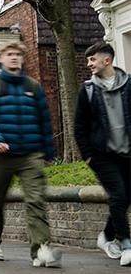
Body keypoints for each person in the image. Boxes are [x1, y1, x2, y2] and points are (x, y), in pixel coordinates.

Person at [0, 41, 61, 268]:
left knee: (36, 200)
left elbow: (44, 119)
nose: (14, 58)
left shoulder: (33, 86)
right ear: (1, 59)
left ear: (22, 59)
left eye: (17, 54)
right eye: (9, 54)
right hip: (1, 155)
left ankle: (41, 249)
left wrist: (48, 150)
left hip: (30, 154)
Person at [74, 41, 131, 264]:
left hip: (127, 153)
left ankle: (106, 236)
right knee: (118, 195)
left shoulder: (129, 85)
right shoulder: (88, 90)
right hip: (102, 155)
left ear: (107, 60)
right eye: (88, 60)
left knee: (126, 197)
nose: (89, 64)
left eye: (92, 59)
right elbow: (80, 127)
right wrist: (88, 155)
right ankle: (125, 244)